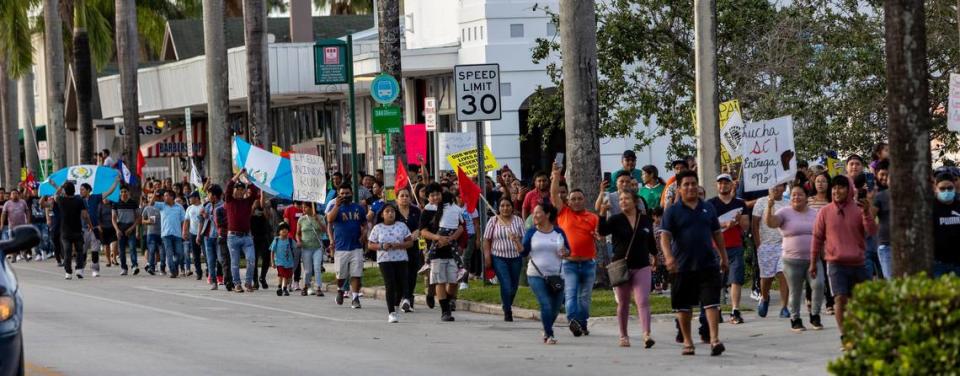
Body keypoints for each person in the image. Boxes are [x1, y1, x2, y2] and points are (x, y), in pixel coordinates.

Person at [660, 170, 728, 356]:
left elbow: (717, 234)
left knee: (711, 303)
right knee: (683, 307)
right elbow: (664, 237)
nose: (690, 188)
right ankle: (688, 342)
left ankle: (714, 340)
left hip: (708, 264)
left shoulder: (708, 208)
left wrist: (723, 256)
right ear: (679, 189)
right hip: (682, 266)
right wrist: (668, 257)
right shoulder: (672, 211)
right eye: (686, 185)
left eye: (693, 184)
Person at [810, 175, 876, 339]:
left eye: (840, 187)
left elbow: (872, 231)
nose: (836, 191)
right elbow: (817, 238)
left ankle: (860, 331)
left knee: (861, 302)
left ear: (849, 190)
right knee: (840, 299)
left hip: (859, 263)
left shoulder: (859, 209)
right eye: (834, 188)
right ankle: (845, 335)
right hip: (835, 264)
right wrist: (812, 262)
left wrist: (867, 213)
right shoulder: (825, 211)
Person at [598, 189, 657, 348]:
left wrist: (655, 255)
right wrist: (602, 214)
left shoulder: (644, 220)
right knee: (623, 302)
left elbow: (650, 239)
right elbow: (602, 231)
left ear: (635, 201)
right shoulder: (616, 219)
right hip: (621, 266)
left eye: (626, 199)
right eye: (621, 199)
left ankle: (646, 334)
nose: (623, 201)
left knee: (642, 300)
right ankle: (623, 335)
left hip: (642, 265)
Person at [550, 162, 599, 337]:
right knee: (570, 295)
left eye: (580, 198)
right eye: (573, 199)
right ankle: (573, 321)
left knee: (584, 298)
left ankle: (582, 323)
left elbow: (597, 235)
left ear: (584, 200)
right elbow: (554, 194)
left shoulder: (592, 217)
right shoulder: (564, 213)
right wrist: (556, 175)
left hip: (588, 264)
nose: (577, 201)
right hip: (569, 264)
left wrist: (597, 237)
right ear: (568, 201)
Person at [767, 184, 824, 332]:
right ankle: (795, 319)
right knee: (795, 291)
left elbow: (823, 233)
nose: (796, 197)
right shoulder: (784, 212)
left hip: (814, 259)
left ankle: (815, 315)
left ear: (806, 197)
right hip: (792, 260)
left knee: (818, 285)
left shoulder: (815, 213)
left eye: (800, 194)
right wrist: (769, 206)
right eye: (793, 195)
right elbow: (771, 223)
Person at [521, 203, 570, 345]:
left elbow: (568, 250)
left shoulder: (559, 232)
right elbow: (524, 252)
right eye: (533, 213)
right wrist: (517, 243)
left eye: (537, 213)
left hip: (557, 275)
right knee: (546, 304)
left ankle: (546, 326)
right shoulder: (531, 232)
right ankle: (549, 334)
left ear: (547, 214)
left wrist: (565, 252)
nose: (534, 216)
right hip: (536, 274)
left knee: (555, 308)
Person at [707, 174, 749, 324]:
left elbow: (746, 225)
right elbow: (708, 225)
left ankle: (735, 310)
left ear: (731, 185)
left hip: (735, 245)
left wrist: (738, 221)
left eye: (726, 183)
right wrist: (725, 224)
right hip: (716, 247)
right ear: (717, 185)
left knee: (735, 279)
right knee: (718, 281)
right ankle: (717, 309)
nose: (723, 186)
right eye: (720, 183)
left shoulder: (740, 203)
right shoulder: (710, 204)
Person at [419, 184, 465, 321]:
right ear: (428, 198)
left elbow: (460, 227)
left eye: (437, 194)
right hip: (435, 250)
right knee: (440, 280)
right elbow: (423, 231)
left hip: (452, 249)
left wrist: (451, 238)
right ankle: (445, 311)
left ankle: (445, 299)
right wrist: (438, 238)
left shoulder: (450, 208)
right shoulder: (427, 212)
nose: (435, 197)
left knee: (453, 281)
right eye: (432, 195)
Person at [368, 204, 415, 323]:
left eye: (392, 211)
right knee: (390, 285)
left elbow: (410, 243)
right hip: (385, 259)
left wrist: (399, 245)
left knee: (400, 285)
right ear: (382, 214)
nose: (390, 213)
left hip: (401, 258)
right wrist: (382, 246)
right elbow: (370, 244)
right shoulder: (377, 228)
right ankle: (391, 313)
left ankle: (397, 304)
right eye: (387, 211)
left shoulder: (402, 226)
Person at [482, 197, 525, 322]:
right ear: (498, 208)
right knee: (506, 284)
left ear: (512, 207)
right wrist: (487, 256)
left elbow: (524, 238)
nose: (505, 208)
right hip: (499, 257)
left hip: (516, 258)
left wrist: (518, 240)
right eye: (502, 206)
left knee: (514, 286)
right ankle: (507, 311)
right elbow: (486, 240)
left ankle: (506, 303)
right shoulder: (493, 221)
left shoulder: (518, 221)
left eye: (508, 205)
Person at [326, 184, 368, 308]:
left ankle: (355, 297)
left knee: (356, 274)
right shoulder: (335, 207)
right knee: (341, 275)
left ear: (352, 194)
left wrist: (364, 234)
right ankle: (340, 289)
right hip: (341, 247)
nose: (345, 196)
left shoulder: (358, 208)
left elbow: (365, 224)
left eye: (347, 193)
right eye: (342, 193)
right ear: (339, 195)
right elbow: (329, 219)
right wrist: (337, 206)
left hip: (356, 246)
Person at [752, 183, 790, 318]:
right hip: (766, 245)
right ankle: (764, 297)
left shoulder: (788, 204)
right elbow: (754, 224)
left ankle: (784, 307)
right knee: (766, 278)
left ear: (784, 188)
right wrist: (758, 244)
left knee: (783, 273)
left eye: (779, 185)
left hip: (783, 245)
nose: (775, 188)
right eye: (773, 185)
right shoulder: (761, 202)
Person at [49, 181, 95, 279]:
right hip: (77, 229)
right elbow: (85, 215)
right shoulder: (79, 200)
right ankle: (79, 269)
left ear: (65, 191)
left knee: (67, 251)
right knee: (79, 250)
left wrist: (61, 186)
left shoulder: (61, 200)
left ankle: (68, 272)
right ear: (74, 190)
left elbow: (55, 195)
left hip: (65, 231)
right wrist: (90, 225)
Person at [225, 169, 261, 293]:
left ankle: (248, 282)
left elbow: (255, 191)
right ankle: (237, 284)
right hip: (233, 237)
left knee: (251, 259)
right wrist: (239, 174)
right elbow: (229, 185)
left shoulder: (247, 201)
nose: (239, 192)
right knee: (234, 262)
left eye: (241, 190)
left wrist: (247, 178)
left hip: (247, 237)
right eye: (237, 189)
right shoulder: (229, 200)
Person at [395, 189, 422, 311]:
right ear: (397, 199)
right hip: (398, 248)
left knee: (411, 273)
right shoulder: (393, 211)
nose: (404, 198)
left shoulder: (416, 211)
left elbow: (422, 225)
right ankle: (401, 296)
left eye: (407, 196)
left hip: (413, 247)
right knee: (400, 274)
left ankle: (408, 298)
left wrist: (418, 231)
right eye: (402, 196)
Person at [154, 190, 188, 279]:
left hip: (177, 234)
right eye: (164, 196)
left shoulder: (179, 207)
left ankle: (174, 266)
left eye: (166, 196)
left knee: (180, 254)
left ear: (172, 197)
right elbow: (151, 203)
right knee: (169, 253)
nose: (165, 197)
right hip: (166, 234)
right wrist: (154, 195)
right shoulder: (162, 206)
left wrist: (184, 231)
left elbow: (183, 220)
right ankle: (173, 271)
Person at [933, 172, 960, 277]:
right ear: (936, 188)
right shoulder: (930, 208)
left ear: (954, 187)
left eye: (949, 188)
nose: (946, 191)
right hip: (938, 263)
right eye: (942, 189)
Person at [297, 202, 326, 296]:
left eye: (305, 207)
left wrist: (317, 219)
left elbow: (324, 230)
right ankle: (306, 285)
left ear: (311, 208)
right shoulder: (301, 219)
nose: (303, 209)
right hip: (306, 248)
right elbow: (297, 233)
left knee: (317, 267)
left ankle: (318, 287)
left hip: (317, 247)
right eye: (303, 207)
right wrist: (298, 241)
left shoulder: (320, 217)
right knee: (308, 270)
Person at [111, 186, 141, 276]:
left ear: (128, 193)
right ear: (120, 193)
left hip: (130, 227)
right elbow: (113, 218)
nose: (124, 193)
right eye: (122, 192)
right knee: (122, 250)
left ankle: (134, 265)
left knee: (132, 248)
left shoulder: (133, 203)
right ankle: (124, 268)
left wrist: (133, 228)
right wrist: (117, 230)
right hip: (120, 227)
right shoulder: (115, 203)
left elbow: (138, 217)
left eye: (125, 192)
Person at [872, 160, 893, 280]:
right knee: (891, 281)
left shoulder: (909, 194)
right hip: (886, 245)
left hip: (906, 244)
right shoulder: (879, 196)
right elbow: (870, 219)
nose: (885, 178)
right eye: (883, 175)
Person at [202, 185, 226, 290]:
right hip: (208, 236)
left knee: (221, 258)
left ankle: (228, 278)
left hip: (219, 236)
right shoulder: (207, 205)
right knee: (210, 260)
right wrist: (199, 235)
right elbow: (201, 219)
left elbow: (221, 221)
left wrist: (209, 216)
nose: (208, 196)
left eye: (209, 194)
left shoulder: (223, 206)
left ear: (215, 196)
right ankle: (213, 281)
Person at [251, 198, 275, 290]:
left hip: (264, 236)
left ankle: (262, 277)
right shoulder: (251, 210)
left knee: (266, 257)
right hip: (253, 237)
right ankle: (255, 281)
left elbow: (268, 217)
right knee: (254, 260)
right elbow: (248, 216)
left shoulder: (264, 210)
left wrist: (263, 206)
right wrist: (253, 207)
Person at [141, 193, 165, 275]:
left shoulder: (162, 207)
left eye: (153, 197)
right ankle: (151, 268)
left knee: (162, 251)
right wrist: (148, 221)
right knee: (151, 250)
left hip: (162, 232)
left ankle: (162, 268)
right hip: (151, 233)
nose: (151, 199)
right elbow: (142, 220)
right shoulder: (147, 208)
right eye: (150, 197)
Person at [270, 223, 296, 296]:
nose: (284, 230)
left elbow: (296, 246)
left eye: (286, 229)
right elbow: (272, 251)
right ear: (279, 231)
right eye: (282, 229)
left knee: (287, 276)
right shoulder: (276, 240)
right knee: (282, 274)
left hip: (289, 262)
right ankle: (281, 287)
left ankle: (284, 287)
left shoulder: (290, 240)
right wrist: (272, 262)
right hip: (279, 262)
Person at [185, 192, 205, 280]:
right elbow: (186, 221)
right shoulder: (189, 208)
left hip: (203, 233)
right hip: (192, 233)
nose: (189, 199)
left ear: (196, 198)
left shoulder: (203, 207)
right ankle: (198, 272)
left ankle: (209, 270)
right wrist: (184, 232)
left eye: (191, 197)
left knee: (206, 253)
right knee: (195, 255)